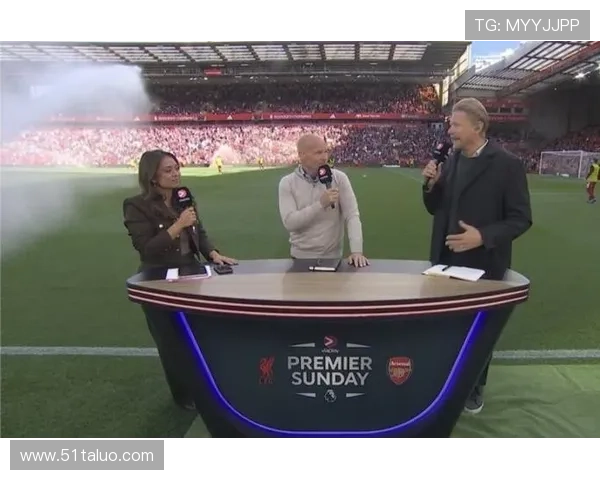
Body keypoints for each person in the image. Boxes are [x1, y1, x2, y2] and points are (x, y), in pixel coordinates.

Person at [421, 98, 532, 414]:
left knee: (476, 332)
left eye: (456, 125)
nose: (450, 131)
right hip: (444, 260)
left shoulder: (507, 164)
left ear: (478, 126)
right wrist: (431, 185)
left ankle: (474, 387)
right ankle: (446, 383)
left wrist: (482, 236)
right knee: (446, 326)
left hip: (483, 264)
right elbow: (435, 209)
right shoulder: (453, 159)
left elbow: (521, 218)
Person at [123, 149, 236, 411]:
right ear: (152, 176)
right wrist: (177, 225)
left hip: (191, 271)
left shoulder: (183, 196)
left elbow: (199, 231)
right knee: (170, 341)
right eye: (168, 170)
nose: (175, 174)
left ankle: (208, 387)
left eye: (176, 168)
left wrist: (213, 253)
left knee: (199, 334)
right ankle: (184, 396)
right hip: (157, 278)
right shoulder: (136, 205)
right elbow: (146, 248)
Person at [278, 134, 368, 267]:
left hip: (332, 258)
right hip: (300, 258)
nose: (325, 157)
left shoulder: (339, 178)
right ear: (301, 155)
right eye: (318, 153)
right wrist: (320, 204)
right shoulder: (287, 183)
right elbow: (290, 223)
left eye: (326, 151)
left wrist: (357, 251)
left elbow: (352, 215)